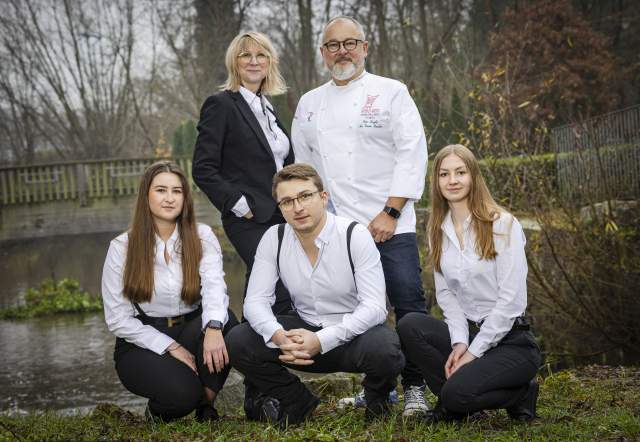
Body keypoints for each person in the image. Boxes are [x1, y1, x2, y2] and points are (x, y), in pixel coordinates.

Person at [291, 16, 429, 417]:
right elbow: (305, 169)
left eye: (350, 43)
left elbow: (412, 152)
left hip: (393, 223)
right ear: (323, 53)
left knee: (408, 307)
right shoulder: (309, 104)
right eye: (333, 45)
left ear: (365, 48)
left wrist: (390, 211)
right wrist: (324, 220)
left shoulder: (391, 92)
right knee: (361, 312)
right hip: (341, 230)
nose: (342, 51)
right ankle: (379, 391)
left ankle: (416, 388)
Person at [226, 164, 405, 427]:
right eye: (287, 201)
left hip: (352, 337)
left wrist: (321, 339)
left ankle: (377, 400)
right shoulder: (273, 238)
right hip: (299, 337)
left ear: (323, 197)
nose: (297, 207)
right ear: (280, 207)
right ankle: (296, 400)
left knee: (385, 349)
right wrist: (278, 335)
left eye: (305, 196)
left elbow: (375, 308)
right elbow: (255, 301)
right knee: (239, 340)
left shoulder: (354, 235)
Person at [397, 144, 542, 424]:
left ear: (473, 176)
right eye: (444, 174)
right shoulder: (437, 229)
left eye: (460, 172)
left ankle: (519, 395)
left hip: (512, 342)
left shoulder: (503, 225)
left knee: (454, 395)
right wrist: (460, 343)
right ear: (436, 181)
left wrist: (474, 353)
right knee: (410, 325)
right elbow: (447, 295)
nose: (452, 180)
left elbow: (511, 302)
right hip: (472, 333)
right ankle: (456, 397)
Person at [192, 31, 294, 419]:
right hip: (249, 220)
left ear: (270, 62)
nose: (254, 61)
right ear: (234, 62)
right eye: (245, 55)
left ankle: (257, 396)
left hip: (281, 217)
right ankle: (264, 391)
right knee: (276, 287)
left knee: (263, 295)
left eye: (261, 55)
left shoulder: (269, 108)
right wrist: (240, 205)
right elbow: (203, 167)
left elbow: (282, 164)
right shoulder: (222, 104)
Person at [101, 161, 238, 422]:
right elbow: (118, 320)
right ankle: (160, 412)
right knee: (180, 394)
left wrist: (213, 328)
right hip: (141, 340)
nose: (170, 198)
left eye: (177, 191)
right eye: (161, 190)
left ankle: (206, 404)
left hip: (192, 327)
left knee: (227, 321)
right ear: (146, 195)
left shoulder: (202, 235)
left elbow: (214, 288)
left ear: (185, 197)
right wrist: (170, 346)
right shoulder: (121, 247)